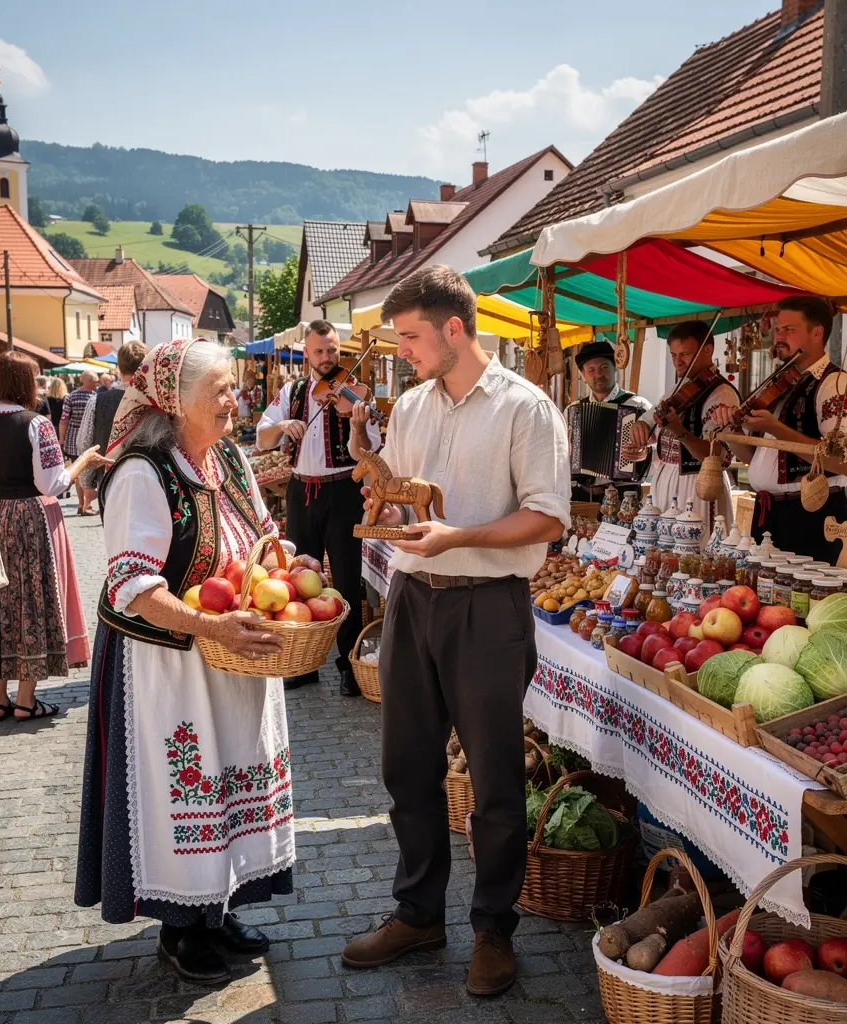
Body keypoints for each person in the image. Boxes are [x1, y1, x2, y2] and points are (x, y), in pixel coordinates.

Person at [341, 266, 570, 997]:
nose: (401, 350)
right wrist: (375, 479)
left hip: (487, 609)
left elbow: (546, 518)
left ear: (452, 330)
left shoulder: (527, 409)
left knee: (495, 782)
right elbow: (406, 501)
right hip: (413, 600)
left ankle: (494, 930)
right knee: (407, 767)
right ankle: (419, 914)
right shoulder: (410, 405)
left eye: (409, 337)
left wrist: (456, 536)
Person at [75, 339, 295, 986]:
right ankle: (181, 927)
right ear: (175, 403)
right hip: (165, 664)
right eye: (221, 391)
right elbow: (133, 587)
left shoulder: (226, 455)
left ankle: (216, 910)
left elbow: (260, 536)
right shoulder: (143, 471)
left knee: (231, 778)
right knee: (184, 790)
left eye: (233, 387)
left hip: (230, 653)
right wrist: (206, 624)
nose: (236, 400)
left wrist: (292, 568)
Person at [0, 352, 109, 722]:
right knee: (28, 601)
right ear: (26, 384)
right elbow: (52, 484)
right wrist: (83, 461)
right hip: (26, 515)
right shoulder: (36, 424)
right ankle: (25, 700)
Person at [256, 320, 382, 696]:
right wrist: (285, 425)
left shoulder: (357, 394)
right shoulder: (292, 392)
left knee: (346, 580)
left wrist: (359, 424)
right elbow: (263, 438)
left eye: (332, 351)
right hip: (301, 491)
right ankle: (304, 663)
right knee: (297, 580)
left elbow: (369, 449)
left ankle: (348, 662)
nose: (327, 358)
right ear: (306, 354)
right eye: (319, 352)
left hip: (343, 490)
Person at [713, 297, 847, 561]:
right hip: (769, 512)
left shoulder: (836, 384)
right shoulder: (781, 384)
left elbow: (846, 462)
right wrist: (731, 431)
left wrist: (778, 429)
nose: (779, 336)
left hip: (811, 515)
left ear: (817, 333)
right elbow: (753, 457)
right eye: (778, 329)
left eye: (789, 330)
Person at [625, 321, 740, 541]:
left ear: (707, 350)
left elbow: (717, 456)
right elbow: (650, 425)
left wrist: (680, 431)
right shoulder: (677, 389)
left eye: (685, 354)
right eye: (673, 355)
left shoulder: (722, 394)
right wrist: (642, 433)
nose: (678, 361)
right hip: (666, 480)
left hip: (698, 485)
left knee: (694, 554)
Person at [566, 340, 652, 503]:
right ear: (583, 376)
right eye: (591, 370)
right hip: (583, 493)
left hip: (624, 493)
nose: (598, 374)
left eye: (604, 367)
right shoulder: (573, 410)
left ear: (615, 369)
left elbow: (658, 448)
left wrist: (645, 454)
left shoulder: (637, 405)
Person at [76, 341, 147, 496]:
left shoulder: (98, 400)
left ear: (120, 367)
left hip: (110, 479)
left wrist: (87, 482)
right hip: (151, 477)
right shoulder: (157, 400)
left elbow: (85, 443)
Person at [59, 370, 99, 515]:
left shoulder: (71, 396)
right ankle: (85, 505)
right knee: (87, 471)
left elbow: (64, 419)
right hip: (89, 435)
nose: (97, 383)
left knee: (77, 470)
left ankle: (81, 503)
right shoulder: (95, 397)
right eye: (95, 381)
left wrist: (62, 439)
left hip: (72, 435)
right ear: (87, 381)